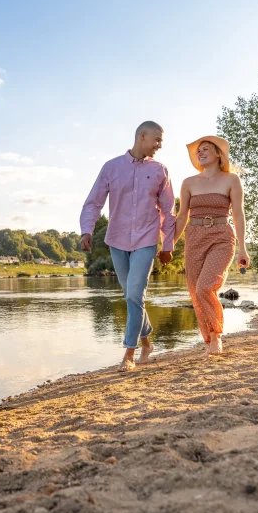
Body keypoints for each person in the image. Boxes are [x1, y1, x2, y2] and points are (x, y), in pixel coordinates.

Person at [80, 121, 176, 372]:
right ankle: (147, 342)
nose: (160, 145)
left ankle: (129, 353)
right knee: (131, 296)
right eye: (157, 140)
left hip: (146, 239)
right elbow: (93, 203)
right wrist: (87, 231)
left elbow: (168, 211)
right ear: (142, 136)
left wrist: (168, 245)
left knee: (135, 294)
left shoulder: (160, 171)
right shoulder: (111, 168)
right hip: (117, 240)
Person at [174, 135, 249, 357]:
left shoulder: (231, 179)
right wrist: (168, 245)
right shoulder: (188, 182)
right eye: (198, 151)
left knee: (205, 287)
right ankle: (207, 340)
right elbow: (181, 217)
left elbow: (238, 215)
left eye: (205, 149)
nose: (200, 152)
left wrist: (242, 248)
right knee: (195, 293)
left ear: (218, 154)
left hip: (222, 236)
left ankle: (216, 335)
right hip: (194, 237)